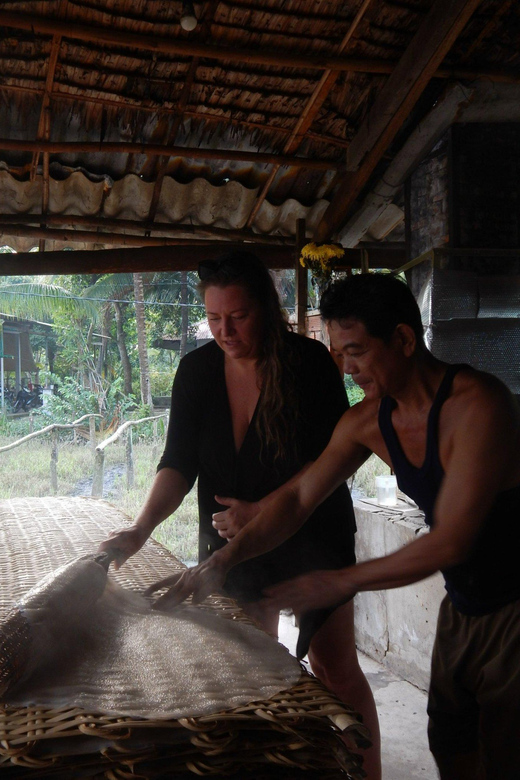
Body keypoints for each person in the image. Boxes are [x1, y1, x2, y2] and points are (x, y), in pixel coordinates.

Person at [151, 272, 520, 780]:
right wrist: (220, 562)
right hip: (464, 606)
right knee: (451, 742)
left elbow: (453, 539)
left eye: (357, 351)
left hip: (513, 606)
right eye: (338, 353)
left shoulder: (479, 404)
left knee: (505, 751)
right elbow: (299, 497)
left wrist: (340, 579)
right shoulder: (368, 421)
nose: (346, 369)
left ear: (405, 339)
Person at [99, 251, 381, 778]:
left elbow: (336, 457)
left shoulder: (307, 364)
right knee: (251, 671)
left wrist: (263, 509)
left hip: (314, 534)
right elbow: (178, 464)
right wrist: (141, 528)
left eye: (239, 316)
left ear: (266, 310)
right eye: (213, 318)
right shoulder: (197, 372)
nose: (224, 330)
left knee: (334, 669)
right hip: (231, 548)